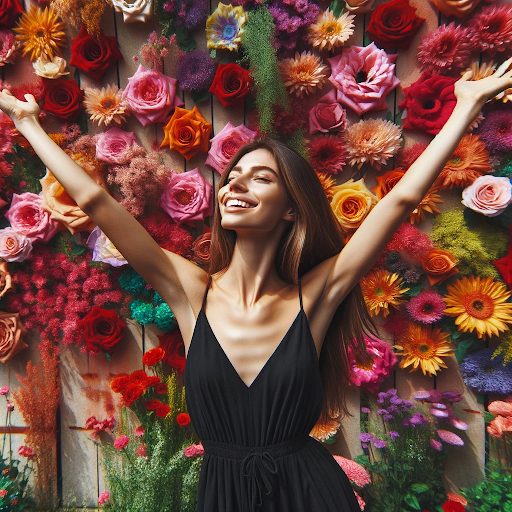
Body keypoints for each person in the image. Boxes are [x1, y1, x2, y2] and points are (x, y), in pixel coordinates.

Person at [1, 59, 512, 511]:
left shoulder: (316, 295)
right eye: (234, 175)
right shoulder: (189, 290)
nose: (236, 183)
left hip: (309, 492)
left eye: (260, 178)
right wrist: (29, 125)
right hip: (222, 494)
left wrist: (464, 107)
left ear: (291, 208)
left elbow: (399, 203)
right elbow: (94, 201)